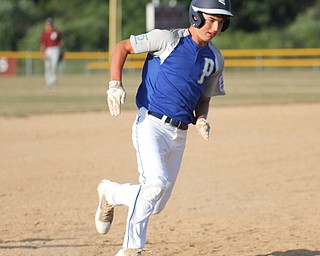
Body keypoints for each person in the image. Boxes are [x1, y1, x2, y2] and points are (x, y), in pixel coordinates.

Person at [95, 0, 233, 255]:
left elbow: (204, 98)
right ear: (195, 17)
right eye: (211, 19)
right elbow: (122, 47)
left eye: (221, 22)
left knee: (154, 203)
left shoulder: (215, 59)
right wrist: (115, 83)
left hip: (180, 134)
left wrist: (201, 119)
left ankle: (110, 192)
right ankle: (131, 249)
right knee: (155, 184)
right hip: (151, 124)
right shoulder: (168, 39)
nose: (215, 27)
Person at [40, 17, 64, 87]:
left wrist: (61, 51)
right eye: (47, 24)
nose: (48, 26)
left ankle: (53, 81)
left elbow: (61, 42)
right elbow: (42, 45)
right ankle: (48, 81)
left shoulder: (57, 32)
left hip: (56, 49)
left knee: (54, 66)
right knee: (48, 66)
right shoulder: (44, 34)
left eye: (50, 24)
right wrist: (42, 53)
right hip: (48, 50)